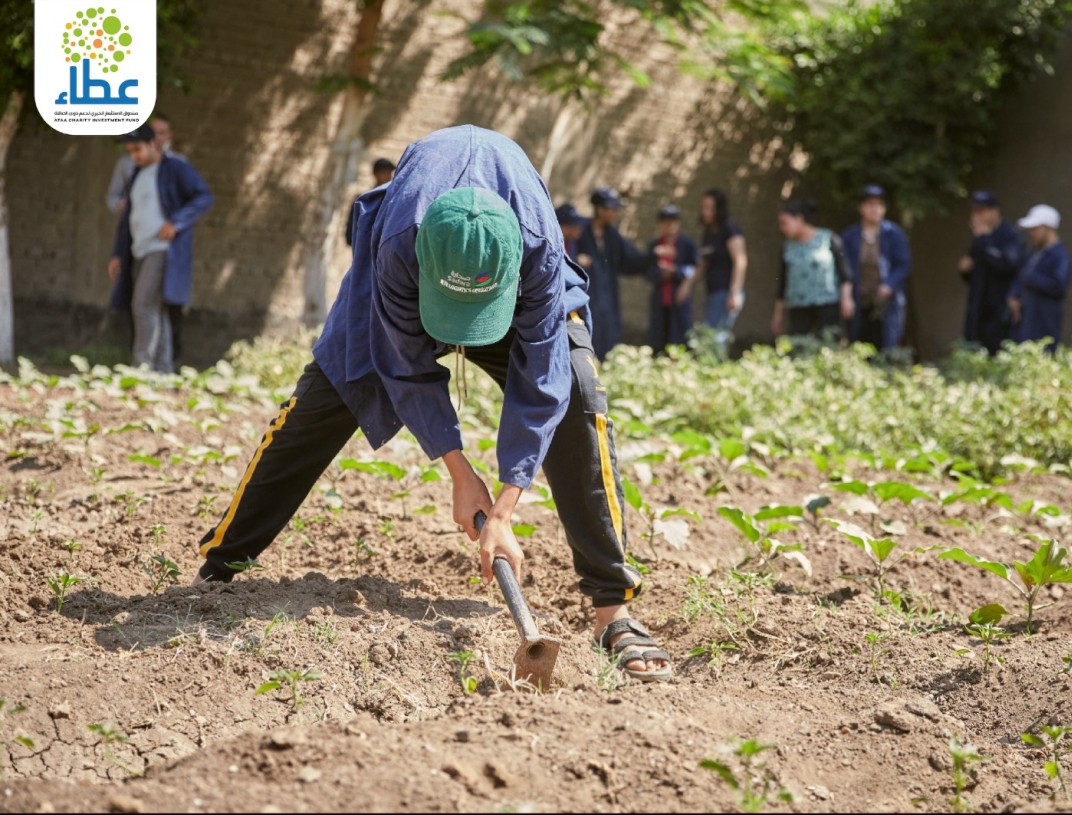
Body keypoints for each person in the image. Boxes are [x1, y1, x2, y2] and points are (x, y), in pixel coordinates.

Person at [192, 126, 672, 683]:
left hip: (516, 287)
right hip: (409, 276)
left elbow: (543, 383)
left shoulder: (538, 247)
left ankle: (614, 611)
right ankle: (216, 571)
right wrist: (459, 472)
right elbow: (403, 368)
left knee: (581, 396)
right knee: (323, 397)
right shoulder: (398, 245)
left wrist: (503, 512)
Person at [107, 125, 213, 372]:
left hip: (162, 248)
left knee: (143, 305)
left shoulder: (175, 168)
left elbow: (203, 196)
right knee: (156, 311)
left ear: (153, 144)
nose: (134, 155)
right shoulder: (136, 174)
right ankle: (163, 372)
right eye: (130, 151)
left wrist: (176, 222)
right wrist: (118, 254)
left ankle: (141, 368)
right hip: (138, 249)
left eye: (137, 149)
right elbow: (127, 220)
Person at [575, 187, 646, 360]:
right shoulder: (581, 232)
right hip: (586, 297)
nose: (615, 213)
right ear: (600, 209)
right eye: (612, 209)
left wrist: (653, 257)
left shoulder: (612, 236)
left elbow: (630, 260)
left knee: (609, 338)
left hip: (608, 298)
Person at [841, 184, 911, 349]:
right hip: (859, 300)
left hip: (886, 301)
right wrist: (846, 297)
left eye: (879, 205)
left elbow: (903, 265)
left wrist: (889, 285)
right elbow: (844, 269)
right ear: (861, 208)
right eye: (870, 204)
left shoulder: (894, 234)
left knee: (887, 344)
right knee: (858, 343)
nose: (875, 209)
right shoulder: (850, 236)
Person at [771, 199, 854, 339]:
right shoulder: (788, 248)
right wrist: (777, 314)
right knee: (799, 347)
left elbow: (845, 273)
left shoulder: (829, 239)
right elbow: (782, 282)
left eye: (785, 223)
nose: (782, 228)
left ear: (799, 219)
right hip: (798, 307)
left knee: (828, 344)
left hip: (827, 305)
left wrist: (847, 299)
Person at [958, 190, 1025, 355]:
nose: (976, 216)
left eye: (980, 211)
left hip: (999, 308)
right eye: (974, 211)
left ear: (994, 211)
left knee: (997, 352)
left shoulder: (1010, 235)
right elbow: (977, 274)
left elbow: (1006, 266)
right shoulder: (979, 238)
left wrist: (984, 240)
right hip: (978, 307)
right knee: (972, 351)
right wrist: (965, 270)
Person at [681, 189, 746, 353]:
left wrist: (735, 292)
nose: (705, 212)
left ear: (720, 209)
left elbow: (740, 260)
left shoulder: (730, 230)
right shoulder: (709, 233)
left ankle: (714, 371)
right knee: (711, 334)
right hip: (713, 292)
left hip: (726, 292)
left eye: (710, 208)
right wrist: (687, 285)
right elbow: (703, 264)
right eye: (703, 207)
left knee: (714, 337)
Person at [1008, 204, 1072, 353]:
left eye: (1035, 228)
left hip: (1044, 327)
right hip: (1025, 325)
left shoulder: (1060, 256)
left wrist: (1031, 278)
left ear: (1048, 227)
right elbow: (1020, 279)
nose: (1031, 233)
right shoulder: (1034, 254)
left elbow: (1058, 286)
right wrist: (1014, 296)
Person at [105, 113, 185, 215]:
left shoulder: (179, 162)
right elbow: (112, 197)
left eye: (162, 132)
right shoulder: (126, 163)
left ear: (169, 135)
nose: (157, 137)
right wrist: (122, 204)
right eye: (153, 132)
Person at [645, 204, 697, 353]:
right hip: (660, 298)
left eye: (673, 221)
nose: (669, 225)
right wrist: (661, 273)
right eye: (665, 221)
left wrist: (675, 271)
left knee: (679, 337)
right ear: (660, 223)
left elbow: (693, 268)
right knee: (658, 337)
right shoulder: (655, 245)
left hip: (679, 297)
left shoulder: (686, 244)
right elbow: (647, 271)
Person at [345, 158, 397, 246]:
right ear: (375, 174)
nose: (387, 176)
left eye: (389, 172)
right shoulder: (363, 201)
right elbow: (350, 235)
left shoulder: (393, 200)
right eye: (383, 172)